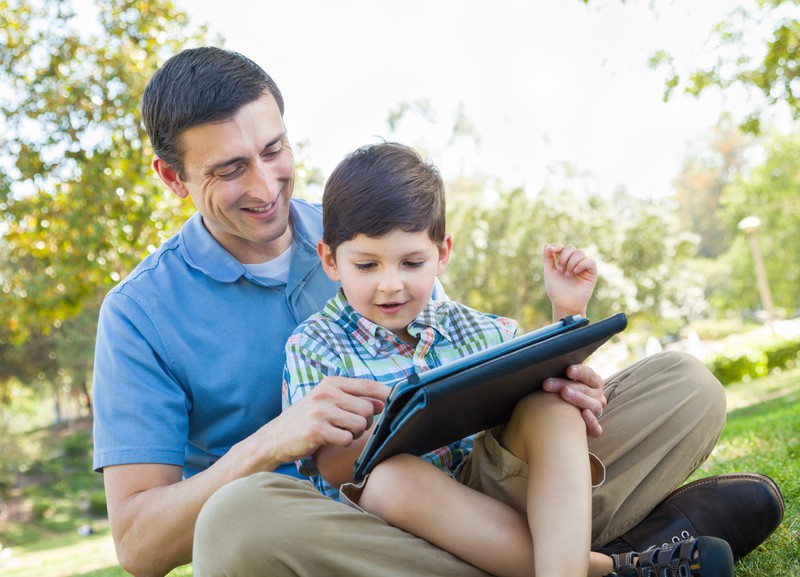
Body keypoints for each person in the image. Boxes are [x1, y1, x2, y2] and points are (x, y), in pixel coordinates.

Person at [91, 46, 783, 577]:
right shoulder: (138, 315)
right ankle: (612, 559)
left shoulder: (361, 228)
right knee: (234, 523)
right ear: (172, 176)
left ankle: (563, 554)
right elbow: (140, 544)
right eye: (228, 169)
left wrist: (557, 377)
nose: (266, 185)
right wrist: (270, 442)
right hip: (339, 531)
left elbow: (460, 360)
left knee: (684, 386)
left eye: (274, 151)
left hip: (464, 486)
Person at [281, 141, 735, 577]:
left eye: (411, 263)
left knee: (638, 389)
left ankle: (557, 563)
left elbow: (541, 418)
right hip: (398, 534)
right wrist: (398, 424)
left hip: (499, 496)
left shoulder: (481, 331)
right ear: (330, 260)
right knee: (389, 478)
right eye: (367, 265)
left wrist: (567, 317)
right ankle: (609, 567)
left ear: (442, 255)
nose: (391, 284)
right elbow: (336, 469)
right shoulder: (314, 345)